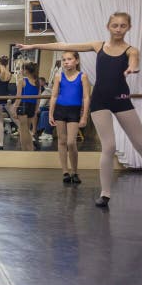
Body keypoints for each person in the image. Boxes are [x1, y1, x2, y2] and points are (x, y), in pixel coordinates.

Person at [17, 12, 142, 208]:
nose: (118, 29)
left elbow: (134, 60)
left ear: (128, 28)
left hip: (121, 99)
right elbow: (64, 46)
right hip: (99, 100)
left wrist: (132, 68)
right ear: (108, 26)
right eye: (115, 25)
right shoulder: (98, 46)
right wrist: (34, 46)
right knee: (108, 147)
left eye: (123, 26)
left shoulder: (131, 50)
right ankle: (105, 194)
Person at [48, 51, 90, 185]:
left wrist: (84, 116)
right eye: (64, 59)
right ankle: (65, 171)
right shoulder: (58, 76)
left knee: (71, 142)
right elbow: (54, 96)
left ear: (76, 61)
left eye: (69, 59)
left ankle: (75, 172)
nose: (66, 62)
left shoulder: (83, 76)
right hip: (60, 110)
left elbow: (86, 97)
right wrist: (50, 113)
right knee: (62, 141)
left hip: (74, 111)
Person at [13, 61, 40, 151]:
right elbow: (38, 99)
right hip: (32, 106)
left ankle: (25, 150)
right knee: (27, 130)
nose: (21, 70)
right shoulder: (37, 82)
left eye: (22, 68)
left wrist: (14, 109)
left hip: (23, 105)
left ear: (26, 71)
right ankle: (30, 148)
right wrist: (36, 109)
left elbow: (18, 97)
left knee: (22, 131)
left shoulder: (22, 81)